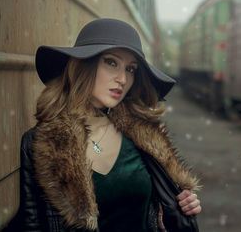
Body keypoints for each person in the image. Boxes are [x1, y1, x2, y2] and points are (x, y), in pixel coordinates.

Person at [11, 18, 201, 231]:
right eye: (111, 62)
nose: (122, 79)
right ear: (84, 64)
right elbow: (32, 224)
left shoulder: (141, 139)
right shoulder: (39, 143)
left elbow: (154, 212)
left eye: (130, 69)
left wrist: (179, 207)